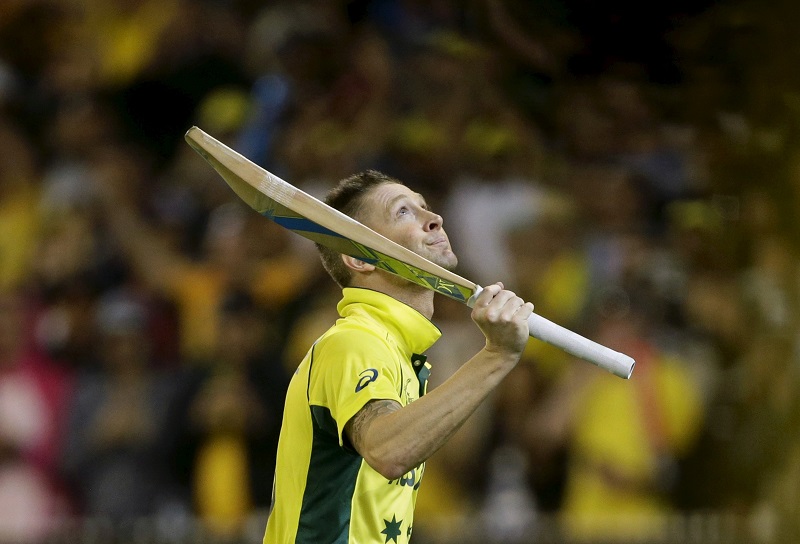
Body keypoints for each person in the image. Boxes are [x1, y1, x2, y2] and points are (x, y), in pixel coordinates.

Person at [264, 170, 534, 543]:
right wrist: (497, 356)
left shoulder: (399, 352)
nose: (434, 218)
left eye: (424, 206)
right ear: (360, 260)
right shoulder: (354, 342)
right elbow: (389, 450)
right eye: (404, 212)